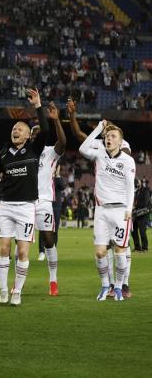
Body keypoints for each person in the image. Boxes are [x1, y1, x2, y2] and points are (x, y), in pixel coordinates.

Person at [0, 89, 47, 306]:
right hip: (6, 206)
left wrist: (38, 105)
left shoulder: (33, 150)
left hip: (26, 207)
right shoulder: (3, 154)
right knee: (3, 248)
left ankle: (17, 291)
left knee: (22, 251)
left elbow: (47, 131)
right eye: (14, 128)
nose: (16, 131)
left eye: (20, 129)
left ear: (29, 135)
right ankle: (3, 290)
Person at [78, 120, 135, 301]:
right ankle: (105, 285)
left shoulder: (128, 160)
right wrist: (98, 129)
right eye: (108, 136)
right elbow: (82, 148)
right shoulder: (100, 154)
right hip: (101, 210)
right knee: (100, 252)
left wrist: (129, 209)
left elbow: (130, 186)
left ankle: (118, 287)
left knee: (120, 251)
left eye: (113, 136)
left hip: (120, 211)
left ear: (121, 142)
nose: (109, 138)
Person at [30, 101, 66, 295]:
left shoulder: (50, 152)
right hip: (24, 202)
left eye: (38, 133)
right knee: (22, 243)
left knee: (48, 240)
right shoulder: (24, 153)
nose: (36, 136)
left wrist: (56, 121)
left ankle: (53, 280)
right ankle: (18, 284)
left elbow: (64, 143)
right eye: (33, 134)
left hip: (43, 201)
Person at [132, 179, 150, 253]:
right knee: (133, 231)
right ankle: (137, 247)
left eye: (136, 184)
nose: (136, 186)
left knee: (142, 231)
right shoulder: (136, 192)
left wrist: (135, 206)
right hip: (137, 213)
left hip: (144, 213)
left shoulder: (145, 190)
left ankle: (145, 248)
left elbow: (145, 203)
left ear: (139, 183)